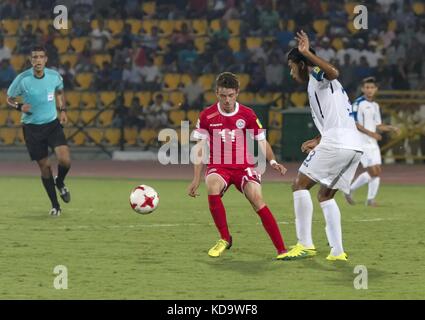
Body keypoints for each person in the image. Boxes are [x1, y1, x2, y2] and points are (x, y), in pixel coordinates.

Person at [280, 31, 363, 261]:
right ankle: (337, 251)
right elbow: (336, 117)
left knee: (299, 185)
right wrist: (318, 138)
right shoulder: (322, 87)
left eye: (292, 66)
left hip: (337, 143)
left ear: (301, 64)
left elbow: (334, 72)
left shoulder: (317, 75)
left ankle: (305, 244)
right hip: (353, 145)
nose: (291, 71)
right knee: (325, 196)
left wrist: (307, 54)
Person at [187, 72, 288, 259]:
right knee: (212, 185)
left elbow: (262, 141)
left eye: (231, 95)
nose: (227, 100)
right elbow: (199, 148)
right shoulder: (207, 115)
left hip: (244, 166)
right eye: (223, 95)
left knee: (256, 198)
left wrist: (273, 161)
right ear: (217, 93)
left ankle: (281, 250)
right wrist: (195, 178)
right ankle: (225, 238)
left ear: (237, 93)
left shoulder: (247, 114)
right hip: (219, 166)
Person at [6, 46, 71, 217]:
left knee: (65, 160)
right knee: (45, 167)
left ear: (46, 59)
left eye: (41, 57)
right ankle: (55, 205)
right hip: (32, 128)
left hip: (52, 124)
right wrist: (19, 106)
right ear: (31, 60)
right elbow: (9, 99)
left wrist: (62, 110)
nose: (38, 60)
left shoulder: (54, 76)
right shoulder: (22, 79)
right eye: (35, 57)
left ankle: (61, 181)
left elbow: (59, 91)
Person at [346, 77, 400, 206]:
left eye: (372, 88)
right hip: (361, 142)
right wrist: (372, 134)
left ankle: (369, 200)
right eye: (367, 88)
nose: (369, 90)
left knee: (377, 172)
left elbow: (378, 125)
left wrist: (391, 128)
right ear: (363, 89)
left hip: (372, 143)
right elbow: (355, 123)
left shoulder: (375, 105)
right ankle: (351, 191)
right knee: (373, 172)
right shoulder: (357, 103)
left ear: (376, 89)